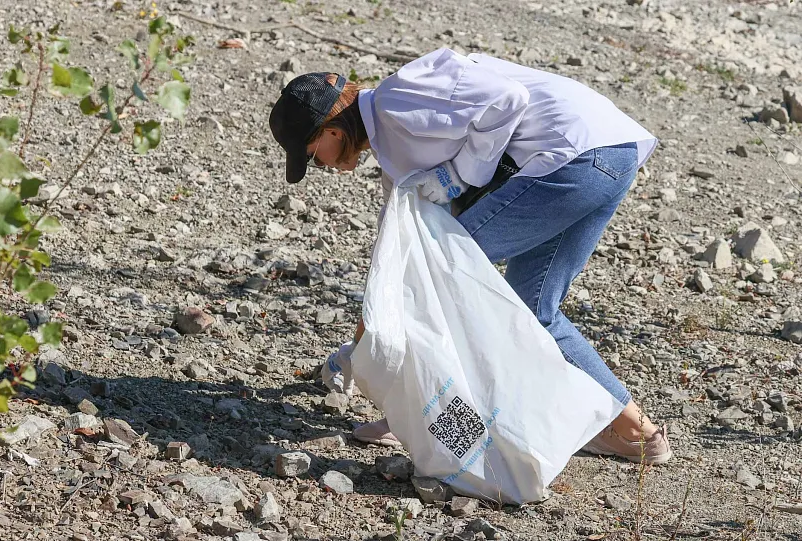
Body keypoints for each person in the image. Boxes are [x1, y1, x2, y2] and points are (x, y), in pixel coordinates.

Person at [269, 48, 672, 464]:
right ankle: (638, 434)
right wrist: (361, 346)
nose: (321, 165)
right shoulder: (394, 155)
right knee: (533, 309)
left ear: (333, 130)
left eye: (313, 154)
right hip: (607, 154)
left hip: (576, 156)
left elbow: (507, 99)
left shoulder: (399, 96)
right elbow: (397, 259)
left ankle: (428, 422)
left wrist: (459, 174)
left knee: (441, 280)